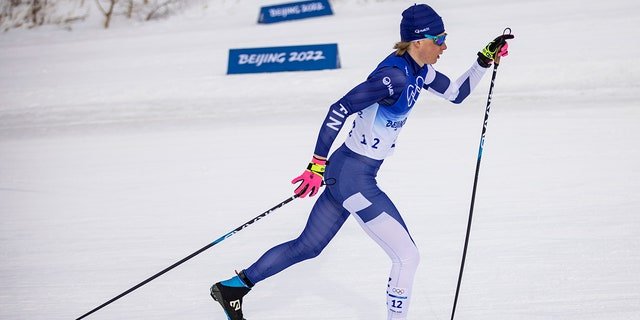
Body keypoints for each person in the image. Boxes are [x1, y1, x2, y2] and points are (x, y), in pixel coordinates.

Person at [210, 3, 514, 320]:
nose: (444, 46)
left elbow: (456, 93)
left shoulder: (420, 71)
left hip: (346, 171)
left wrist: (482, 60)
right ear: (419, 40)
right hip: (354, 176)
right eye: (439, 39)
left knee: (308, 246)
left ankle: (234, 286)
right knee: (407, 257)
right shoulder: (392, 77)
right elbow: (338, 109)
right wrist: (315, 165)